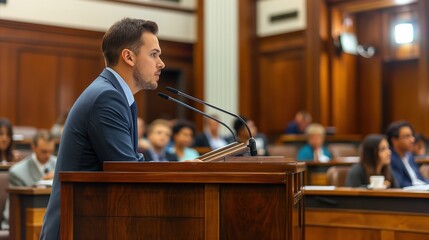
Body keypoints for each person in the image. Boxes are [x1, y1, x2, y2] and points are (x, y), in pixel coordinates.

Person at [40, 18, 166, 239]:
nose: (161, 63)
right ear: (128, 56)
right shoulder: (107, 97)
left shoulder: (116, 95)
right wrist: (181, 171)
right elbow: (127, 171)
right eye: (154, 54)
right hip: (75, 227)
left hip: (90, 222)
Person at [1, 130, 57, 230]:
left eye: (51, 151)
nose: (48, 156)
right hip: (27, 223)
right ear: (33, 147)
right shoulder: (17, 172)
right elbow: (15, 209)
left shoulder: (58, 165)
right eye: (44, 151)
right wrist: (41, 183)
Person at [386, 121, 429, 188]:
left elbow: (420, 178)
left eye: (412, 135)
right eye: (407, 136)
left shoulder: (409, 156)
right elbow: (400, 184)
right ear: (394, 140)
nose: (412, 140)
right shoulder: (390, 158)